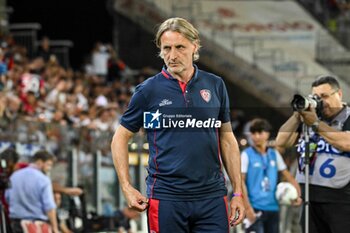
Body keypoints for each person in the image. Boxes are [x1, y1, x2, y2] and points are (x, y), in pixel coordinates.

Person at [111, 17, 245, 233]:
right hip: (166, 198)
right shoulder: (147, 91)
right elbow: (120, 138)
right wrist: (126, 187)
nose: (172, 56)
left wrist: (238, 193)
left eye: (180, 47)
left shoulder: (215, 85)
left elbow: (227, 139)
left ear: (195, 46)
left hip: (211, 197)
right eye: (167, 48)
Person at [275, 75, 350, 233]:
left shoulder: (347, 117)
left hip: (342, 201)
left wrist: (316, 124)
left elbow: (346, 143)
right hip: (310, 199)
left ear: (339, 94)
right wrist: (298, 114)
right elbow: (281, 142)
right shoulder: (308, 119)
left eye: (325, 96)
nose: (322, 101)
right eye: (316, 97)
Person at [241, 118, 301, 233]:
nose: (256, 136)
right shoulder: (246, 155)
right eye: (253, 133)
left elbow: (288, 177)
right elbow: (240, 182)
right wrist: (247, 208)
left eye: (260, 132)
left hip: (273, 208)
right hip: (254, 207)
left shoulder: (274, 155)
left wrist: (297, 195)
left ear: (267, 133)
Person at [5, 150, 59, 233]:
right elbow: (49, 207)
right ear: (40, 162)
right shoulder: (43, 179)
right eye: (48, 165)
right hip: (37, 226)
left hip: (16, 224)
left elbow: (7, 198)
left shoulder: (14, 176)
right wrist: (55, 228)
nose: (49, 168)